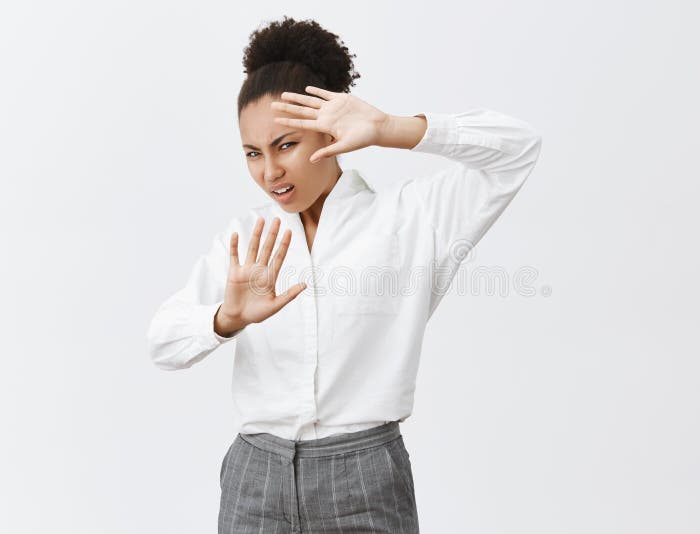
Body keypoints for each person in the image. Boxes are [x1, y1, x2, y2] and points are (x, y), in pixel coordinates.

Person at [146, 15, 543, 534]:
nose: (269, 172)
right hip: (254, 480)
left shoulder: (410, 220)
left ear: (331, 130)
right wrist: (226, 319)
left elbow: (518, 148)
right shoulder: (246, 240)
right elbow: (162, 343)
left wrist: (388, 129)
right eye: (252, 153)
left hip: (363, 479)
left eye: (286, 144)